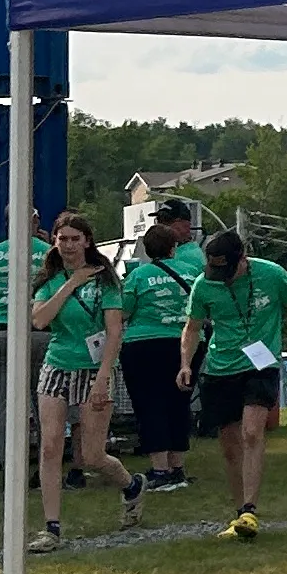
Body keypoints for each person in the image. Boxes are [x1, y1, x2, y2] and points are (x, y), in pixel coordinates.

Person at [177, 227, 287, 539]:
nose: (223, 277)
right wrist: (186, 363)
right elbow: (192, 327)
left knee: (252, 431)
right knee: (229, 443)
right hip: (220, 367)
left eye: (227, 269)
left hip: (261, 363)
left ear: (242, 259)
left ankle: (249, 509)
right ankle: (239, 514)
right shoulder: (204, 284)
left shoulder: (272, 275)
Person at [28, 212, 144, 553]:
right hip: (57, 364)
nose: (67, 245)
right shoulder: (49, 279)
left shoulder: (106, 280)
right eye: (62, 239)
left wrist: (103, 378)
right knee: (50, 446)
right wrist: (71, 283)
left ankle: (132, 485)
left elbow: (113, 331)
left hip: (94, 369)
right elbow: (39, 319)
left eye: (74, 239)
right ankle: (51, 527)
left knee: (92, 455)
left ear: (87, 242)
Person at [115, 195, 204, 493]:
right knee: (179, 403)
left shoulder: (138, 276)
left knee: (150, 404)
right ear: (173, 247)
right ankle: (178, 467)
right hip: (186, 346)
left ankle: (160, 469)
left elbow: (124, 312)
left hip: (144, 345)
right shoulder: (193, 274)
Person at [0, 221, 53, 473]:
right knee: (46, 405)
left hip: (1, 332)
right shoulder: (49, 252)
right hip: (40, 331)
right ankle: (46, 468)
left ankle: (12, 471)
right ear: (36, 223)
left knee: (6, 406)